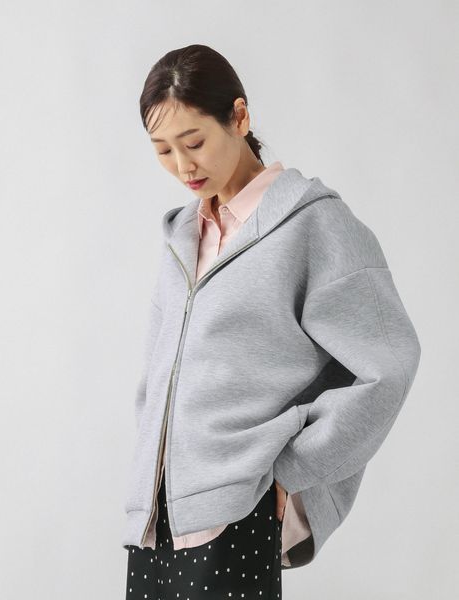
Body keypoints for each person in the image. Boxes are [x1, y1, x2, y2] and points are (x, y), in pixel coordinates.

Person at [122, 44, 421, 600]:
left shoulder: (314, 225)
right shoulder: (183, 238)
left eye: (194, 142)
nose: (183, 166)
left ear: (239, 117)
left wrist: (294, 469)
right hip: (157, 519)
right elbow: (158, 377)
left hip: (239, 510)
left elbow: (388, 367)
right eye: (163, 150)